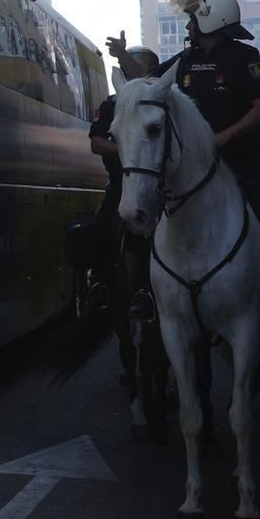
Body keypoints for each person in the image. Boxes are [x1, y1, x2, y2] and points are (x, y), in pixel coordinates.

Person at [108, 0, 260, 317]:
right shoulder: (187, 59)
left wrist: (224, 137)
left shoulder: (245, 58)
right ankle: (146, 291)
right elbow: (147, 81)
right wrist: (123, 56)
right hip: (193, 165)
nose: (188, 27)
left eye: (193, 20)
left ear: (213, 19)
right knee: (144, 216)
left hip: (241, 158)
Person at [84, 45, 160, 319]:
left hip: (156, 180)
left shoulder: (158, 103)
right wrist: (123, 149)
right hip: (121, 181)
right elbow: (96, 142)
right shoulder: (111, 105)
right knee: (102, 223)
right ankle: (100, 282)